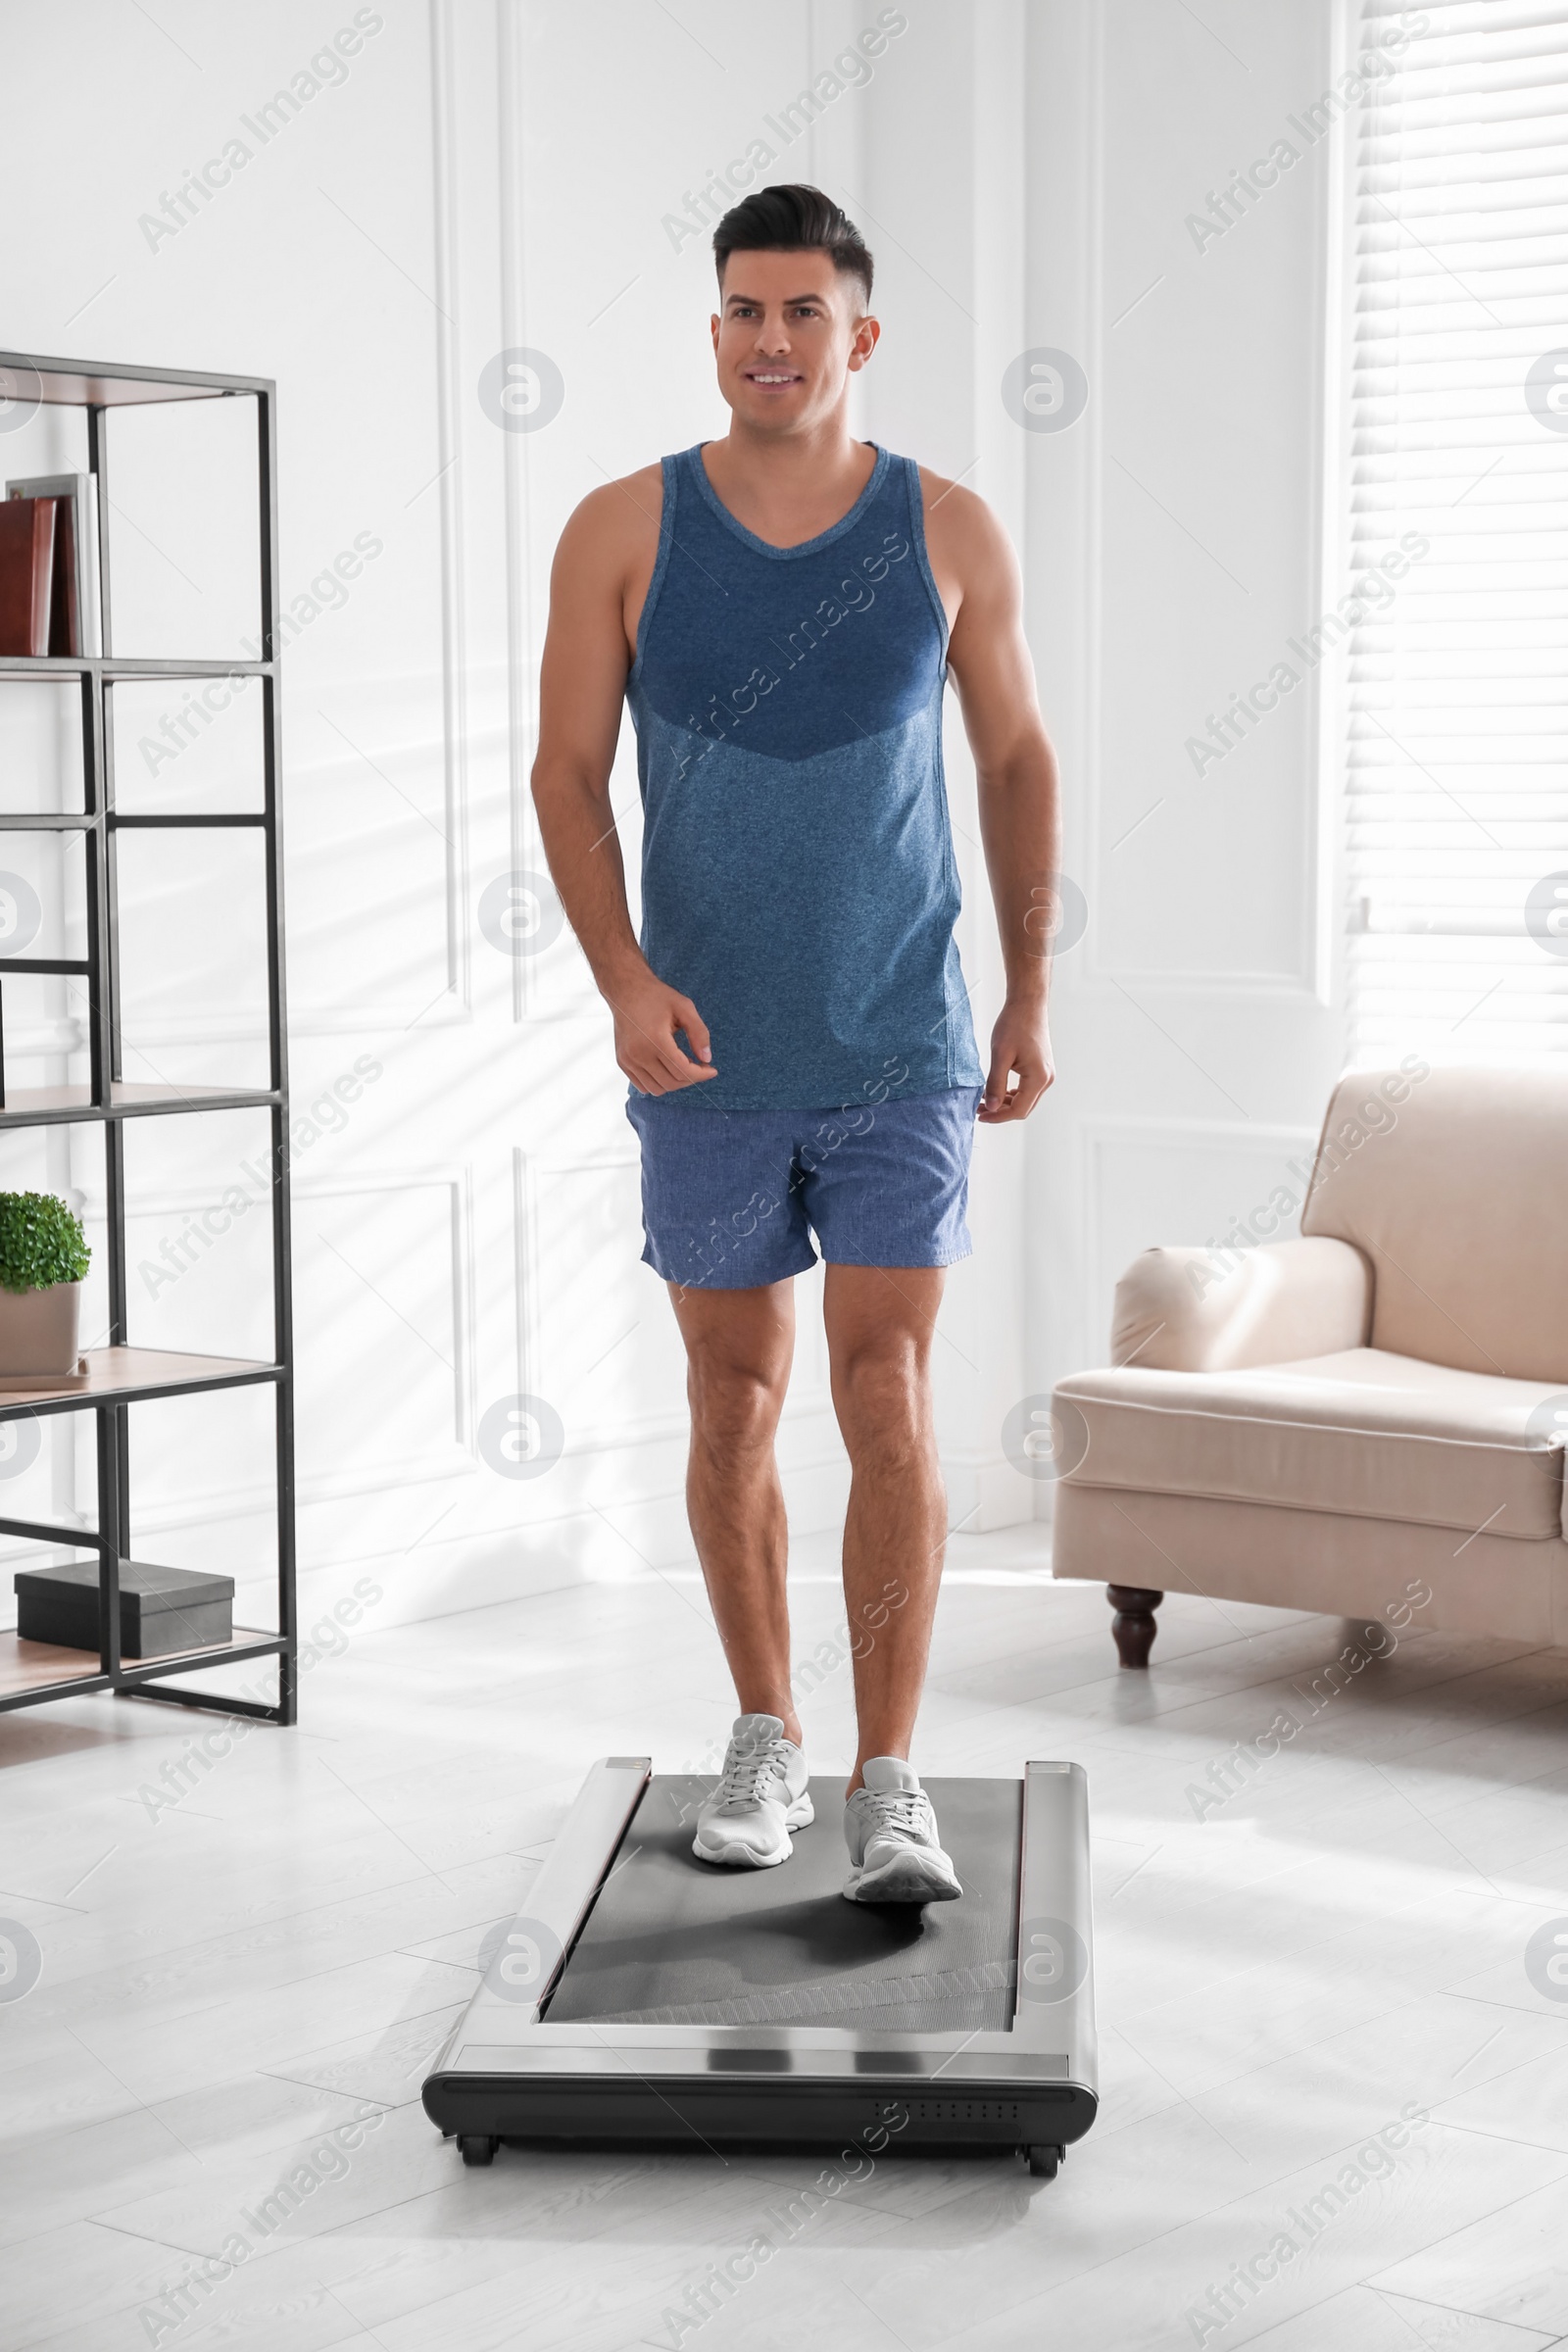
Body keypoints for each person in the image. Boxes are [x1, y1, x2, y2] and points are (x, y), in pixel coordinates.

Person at [532, 183, 1059, 1905]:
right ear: (715, 332)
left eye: (803, 314)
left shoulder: (951, 529)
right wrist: (618, 977)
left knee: (886, 1397)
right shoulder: (623, 526)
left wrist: (1028, 990)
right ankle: (764, 1733)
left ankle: (887, 1774)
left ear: (860, 334)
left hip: (901, 1034)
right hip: (699, 1051)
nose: (772, 342)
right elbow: (563, 775)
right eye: (744, 313)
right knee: (733, 1397)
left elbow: (1017, 765)